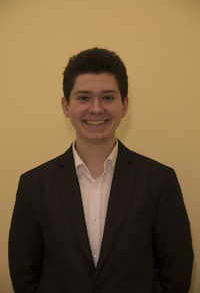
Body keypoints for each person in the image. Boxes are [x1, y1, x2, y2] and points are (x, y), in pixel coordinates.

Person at [9, 48, 193, 293]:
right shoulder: (34, 185)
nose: (96, 108)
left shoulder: (159, 181)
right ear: (66, 105)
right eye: (83, 98)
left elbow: (177, 270)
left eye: (108, 97)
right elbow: (24, 273)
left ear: (125, 105)